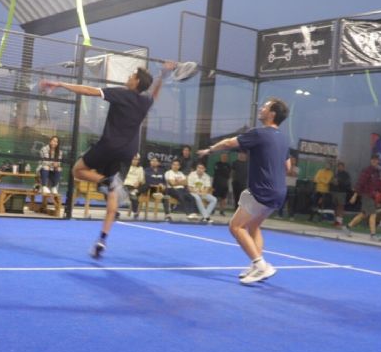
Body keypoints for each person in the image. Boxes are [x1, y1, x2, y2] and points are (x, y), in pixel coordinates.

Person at [40, 62, 171, 259]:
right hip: (128, 152)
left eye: (131, 75)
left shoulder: (120, 93)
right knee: (113, 196)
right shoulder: (144, 102)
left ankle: (107, 181)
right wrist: (163, 75)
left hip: (109, 145)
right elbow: (154, 95)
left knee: (78, 170)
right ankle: (102, 239)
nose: (128, 77)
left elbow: (87, 90)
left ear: (135, 82)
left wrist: (60, 84)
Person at [197, 97, 290, 284]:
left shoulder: (259, 133)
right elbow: (287, 166)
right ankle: (256, 265)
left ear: (272, 114)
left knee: (235, 226)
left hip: (261, 191)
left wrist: (210, 150)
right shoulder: (283, 139)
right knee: (254, 226)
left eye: (265, 106)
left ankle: (261, 265)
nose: (261, 108)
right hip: (279, 192)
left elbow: (229, 143)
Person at [342, 154, 381, 242]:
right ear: (371, 160)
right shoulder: (366, 171)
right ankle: (373, 235)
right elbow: (360, 183)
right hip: (366, 195)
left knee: (363, 214)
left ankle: (347, 227)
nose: (374, 161)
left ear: (378, 161)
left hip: (373, 196)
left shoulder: (378, 172)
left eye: (376, 160)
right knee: (373, 214)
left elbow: (379, 185)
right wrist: (355, 195)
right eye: (373, 159)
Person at [123, 154, 145, 219]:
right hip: (126, 185)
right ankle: (135, 212)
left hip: (135, 186)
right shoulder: (126, 167)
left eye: (136, 159)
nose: (135, 161)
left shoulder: (140, 168)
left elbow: (142, 180)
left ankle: (135, 212)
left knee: (134, 196)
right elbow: (122, 177)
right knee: (133, 195)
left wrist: (139, 182)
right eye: (134, 159)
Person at [330, 161, 351, 227]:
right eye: (339, 166)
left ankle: (340, 221)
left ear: (343, 167)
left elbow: (347, 184)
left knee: (340, 206)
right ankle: (336, 221)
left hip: (342, 192)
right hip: (335, 192)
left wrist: (339, 183)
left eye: (341, 166)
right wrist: (333, 183)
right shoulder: (336, 174)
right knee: (335, 207)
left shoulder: (346, 175)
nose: (340, 168)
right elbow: (332, 181)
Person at [279, 155, 299, 219]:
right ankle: (280, 215)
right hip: (284, 186)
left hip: (292, 187)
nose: (292, 161)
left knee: (291, 203)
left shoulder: (297, 168)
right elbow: (285, 173)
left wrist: (290, 170)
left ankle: (291, 216)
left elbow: (293, 174)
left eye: (294, 160)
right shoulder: (285, 167)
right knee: (282, 201)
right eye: (291, 160)